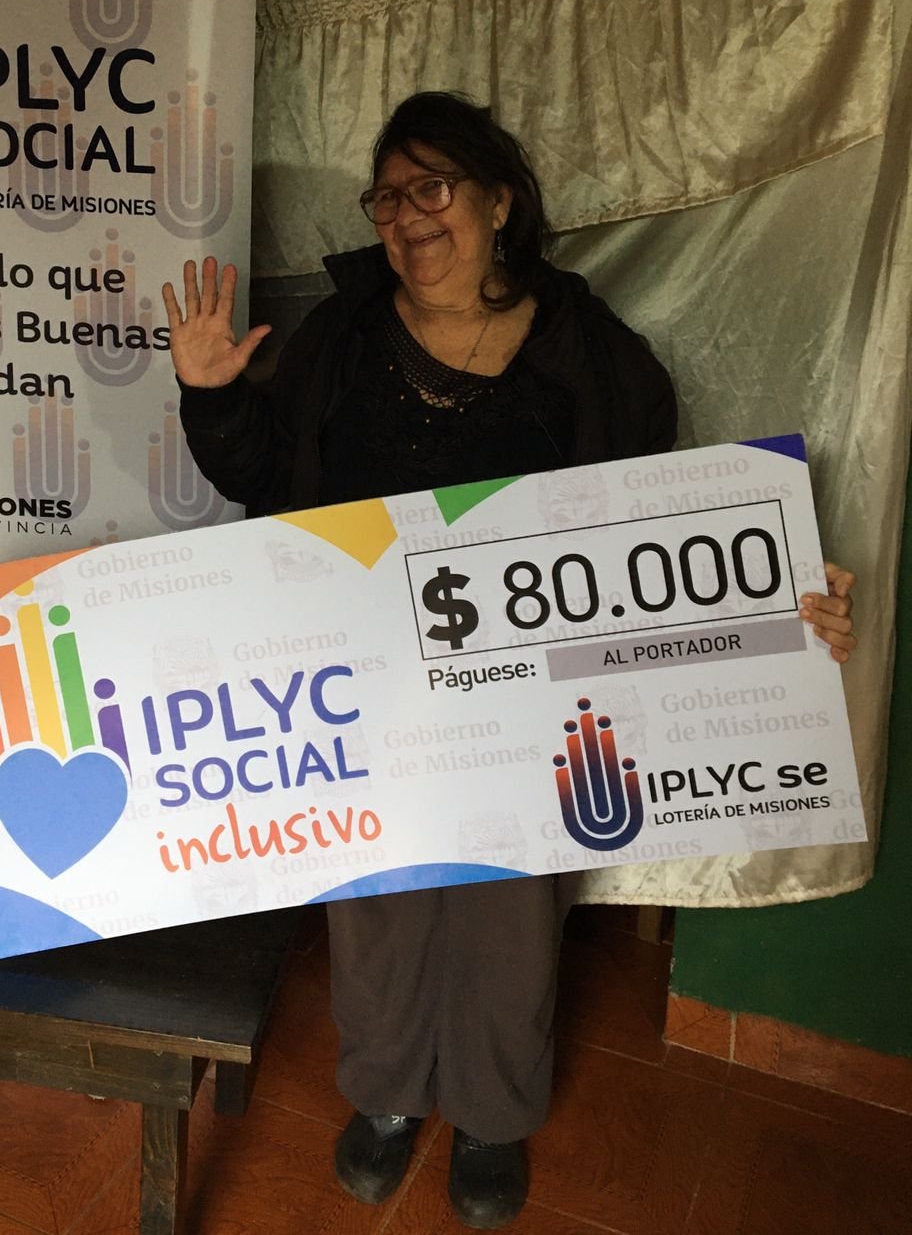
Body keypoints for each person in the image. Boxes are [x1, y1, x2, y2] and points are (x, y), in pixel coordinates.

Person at [161, 91, 857, 1229]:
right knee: (378, 901)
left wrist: (778, 589)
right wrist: (210, 391)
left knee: (511, 907)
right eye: (387, 197)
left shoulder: (595, 357)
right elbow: (260, 477)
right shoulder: (340, 337)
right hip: (369, 680)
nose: (406, 215)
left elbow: (660, 530)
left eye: (431, 187)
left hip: (534, 697)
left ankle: (492, 1111)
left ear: (499, 202)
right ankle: (386, 1093)